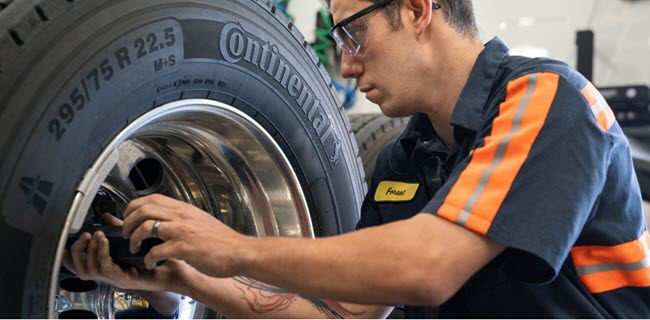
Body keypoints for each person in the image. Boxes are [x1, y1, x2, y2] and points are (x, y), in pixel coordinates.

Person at [67, 0, 650, 317]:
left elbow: (428, 268)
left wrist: (228, 247)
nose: (345, 65)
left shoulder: (546, 97)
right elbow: (341, 316)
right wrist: (186, 278)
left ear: (419, 10)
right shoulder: (403, 159)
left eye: (353, 34)